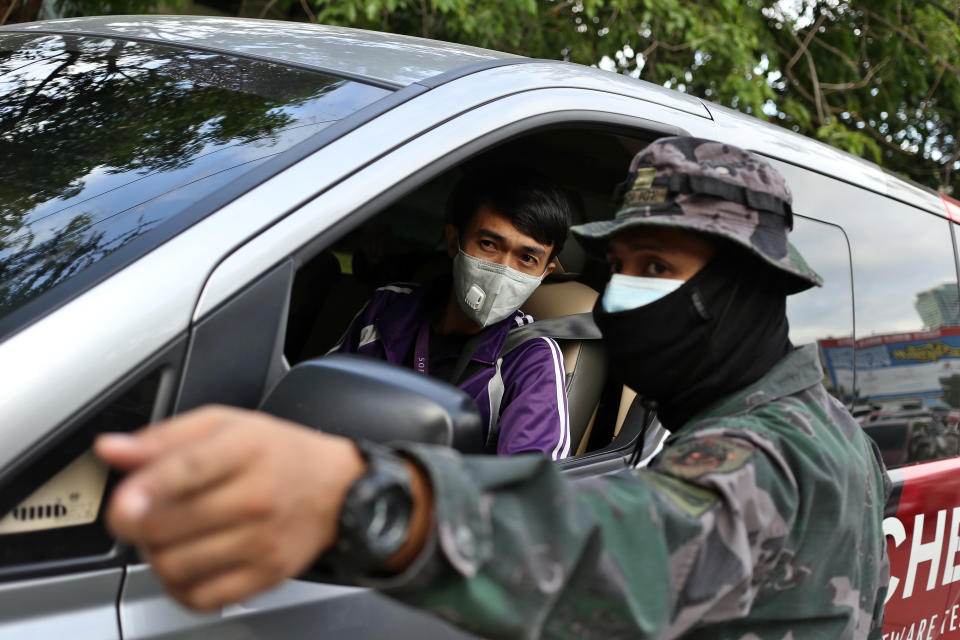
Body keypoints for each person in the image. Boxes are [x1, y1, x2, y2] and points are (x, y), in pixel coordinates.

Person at [95, 137, 890, 639]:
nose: (620, 299)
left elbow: (629, 544)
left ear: (745, 292)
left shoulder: (767, 455)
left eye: (658, 270)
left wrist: (371, 501)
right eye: (618, 270)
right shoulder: (819, 422)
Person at [331, 166, 573, 458]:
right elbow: (316, 403)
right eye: (489, 244)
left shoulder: (531, 356)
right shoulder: (387, 308)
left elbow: (528, 487)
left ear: (543, 274)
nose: (503, 270)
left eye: (526, 258)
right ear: (452, 241)